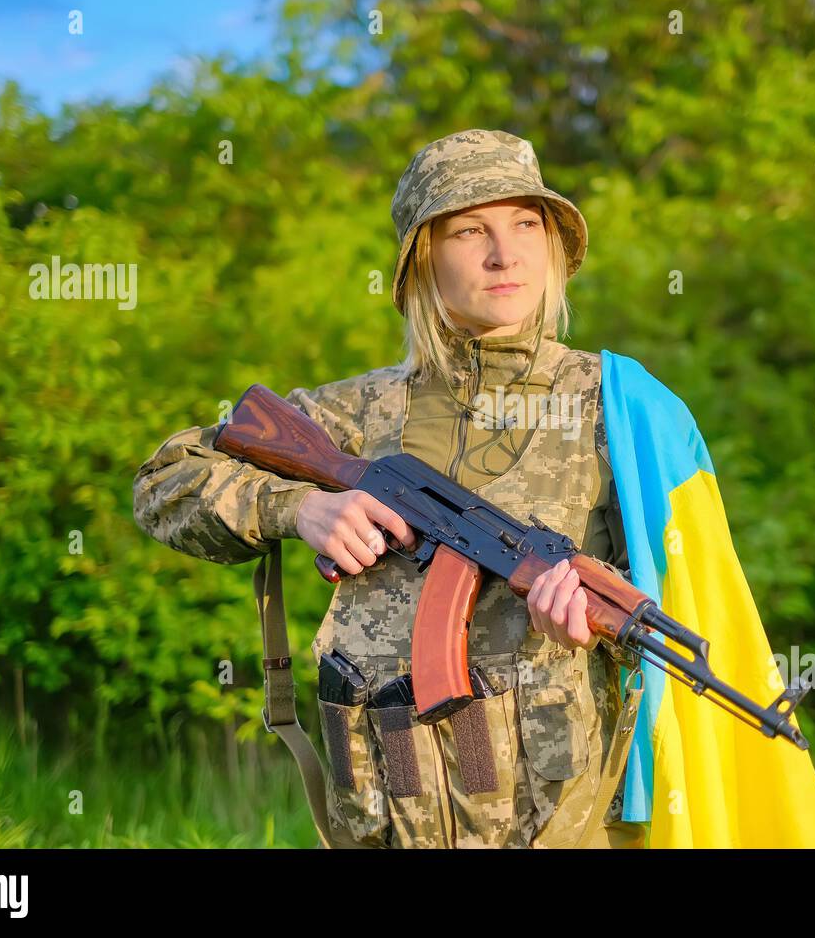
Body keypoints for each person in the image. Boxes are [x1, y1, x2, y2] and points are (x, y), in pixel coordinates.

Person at [133, 128, 647, 848]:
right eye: (471, 230)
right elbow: (164, 481)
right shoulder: (358, 414)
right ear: (420, 260)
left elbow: (678, 590)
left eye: (527, 224)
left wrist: (596, 626)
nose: (507, 254)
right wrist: (302, 508)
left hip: (556, 818)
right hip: (387, 812)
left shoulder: (616, 405)